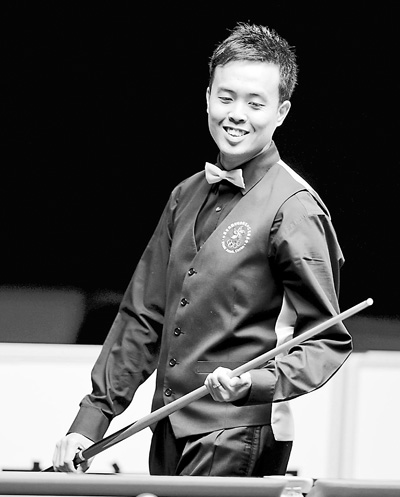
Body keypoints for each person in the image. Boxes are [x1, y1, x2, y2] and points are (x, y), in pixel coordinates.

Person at [52, 22, 352, 477]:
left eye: (255, 103)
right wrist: (90, 422)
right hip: (167, 427)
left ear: (282, 112)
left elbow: (326, 338)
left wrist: (255, 382)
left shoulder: (295, 208)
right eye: (226, 97)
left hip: (238, 430)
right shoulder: (184, 195)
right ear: (207, 97)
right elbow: (143, 316)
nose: (237, 114)